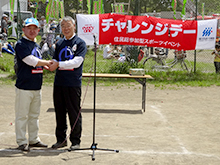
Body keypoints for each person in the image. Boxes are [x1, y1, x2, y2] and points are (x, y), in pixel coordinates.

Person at [49, 16, 87, 150]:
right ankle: (61, 139)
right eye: (63, 25)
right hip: (59, 83)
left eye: (68, 25)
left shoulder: (80, 43)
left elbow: (77, 62)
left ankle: (75, 141)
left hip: (72, 83)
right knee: (59, 112)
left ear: (74, 26)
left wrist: (58, 64)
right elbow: (53, 61)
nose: (65, 28)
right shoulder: (59, 43)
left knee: (74, 112)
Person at [14, 17, 52, 151]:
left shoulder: (36, 44)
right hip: (24, 86)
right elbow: (30, 60)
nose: (31, 31)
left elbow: (37, 62)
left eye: (34, 28)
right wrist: (47, 63)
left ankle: (33, 139)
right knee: (22, 115)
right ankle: (22, 141)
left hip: (37, 85)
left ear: (38, 30)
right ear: (23, 29)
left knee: (34, 115)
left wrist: (45, 66)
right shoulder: (20, 44)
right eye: (28, 28)